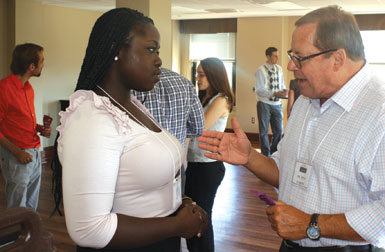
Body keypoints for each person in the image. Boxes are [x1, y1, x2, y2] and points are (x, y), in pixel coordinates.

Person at [198, 5, 385, 251]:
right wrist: (249, 157)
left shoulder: (378, 112)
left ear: (337, 59)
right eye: (290, 55)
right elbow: (285, 171)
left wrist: (312, 224)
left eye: (300, 57)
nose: (290, 66)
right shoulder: (307, 101)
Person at [53, 8, 207, 251]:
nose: (159, 60)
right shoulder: (93, 120)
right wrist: (177, 226)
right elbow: (89, 230)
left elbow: (137, 181)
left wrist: (181, 203)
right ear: (116, 50)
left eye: (158, 51)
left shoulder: (129, 105)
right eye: (150, 49)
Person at [185, 57, 234, 252]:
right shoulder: (205, 97)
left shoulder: (222, 99)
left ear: (214, 75)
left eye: (202, 74)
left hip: (207, 166)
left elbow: (198, 127)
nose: (197, 78)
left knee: (202, 217)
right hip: (195, 163)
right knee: (192, 215)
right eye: (197, 74)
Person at [132, 67, 204, 193]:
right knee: (176, 208)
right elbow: (197, 128)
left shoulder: (127, 83)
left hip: (140, 166)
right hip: (175, 163)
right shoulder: (184, 83)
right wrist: (177, 133)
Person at [0, 43, 51, 210]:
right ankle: (13, 237)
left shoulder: (28, 89)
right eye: (41, 61)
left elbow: (20, 120)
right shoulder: (4, 88)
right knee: (17, 207)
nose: (43, 64)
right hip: (16, 155)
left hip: (34, 153)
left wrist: (38, 128)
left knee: (30, 205)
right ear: (31, 66)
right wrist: (17, 153)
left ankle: (29, 235)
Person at [255, 47, 287, 157]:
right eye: (275, 55)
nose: (277, 58)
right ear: (268, 56)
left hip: (277, 104)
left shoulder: (279, 69)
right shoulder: (261, 70)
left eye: (278, 55)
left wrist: (284, 91)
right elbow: (259, 89)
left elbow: (282, 85)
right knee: (263, 132)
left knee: (278, 131)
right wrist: (274, 93)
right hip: (264, 104)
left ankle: (274, 154)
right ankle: (265, 155)